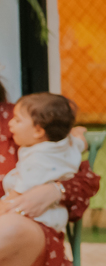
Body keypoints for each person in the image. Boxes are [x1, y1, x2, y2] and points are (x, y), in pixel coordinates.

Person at [0, 81, 99, 266]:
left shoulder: (20, 118)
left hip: (24, 233)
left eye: (17, 121)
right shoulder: (28, 125)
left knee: (10, 227)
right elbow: (74, 142)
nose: (13, 125)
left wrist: (56, 190)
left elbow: (85, 180)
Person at [3, 92, 87, 233]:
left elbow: (14, 199)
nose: (10, 124)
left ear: (38, 131)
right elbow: (81, 141)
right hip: (54, 217)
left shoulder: (37, 161)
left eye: (17, 120)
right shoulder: (66, 144)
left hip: (36, 219)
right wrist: (80, 132)